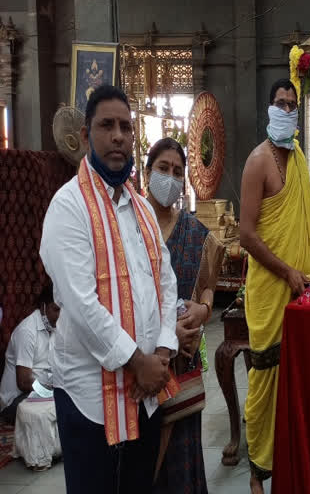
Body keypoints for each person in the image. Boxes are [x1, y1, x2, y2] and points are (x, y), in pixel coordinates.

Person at [40, 85, 179, 493]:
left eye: (125, 127)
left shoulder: (142, 209)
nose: (118, 135)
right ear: (86, 136)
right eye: (106, 125)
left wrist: (163, 353)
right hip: (89, 397)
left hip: (146, 387)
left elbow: (165, 284)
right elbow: (82, 305)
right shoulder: (68, 207)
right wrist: (139, 361)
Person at [240, 78, 310, 494]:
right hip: (270, 291)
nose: (287, 110)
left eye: (293, 106)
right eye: (280, 103)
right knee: (264, 382)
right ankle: (257, 472)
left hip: (301, 285)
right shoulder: (258, 161)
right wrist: (285, 272)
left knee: (295, 377)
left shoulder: (299, 159)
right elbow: (246, 234)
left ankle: (289, 465)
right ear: (268, 108)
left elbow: (302, 221)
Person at [145, 138, 224, 493]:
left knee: (183, 456)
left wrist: (204, 309)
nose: (170, 177)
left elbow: (208, 285)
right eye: (163, 168)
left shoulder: (195, 233)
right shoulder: (130, 228)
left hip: (184, 364)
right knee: (144, 459)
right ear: (147, 172)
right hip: (142, 363)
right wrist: (165, 333)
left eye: (178, 172)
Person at [0, 285, 59, 423]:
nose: (59, 316)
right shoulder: (27, 331)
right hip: (15, 400)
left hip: (41, 393)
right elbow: (24, 382)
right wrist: (51, 391)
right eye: (55, 309)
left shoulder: (55, 329)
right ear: (43, 306)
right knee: (57, 410)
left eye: (63, 310)